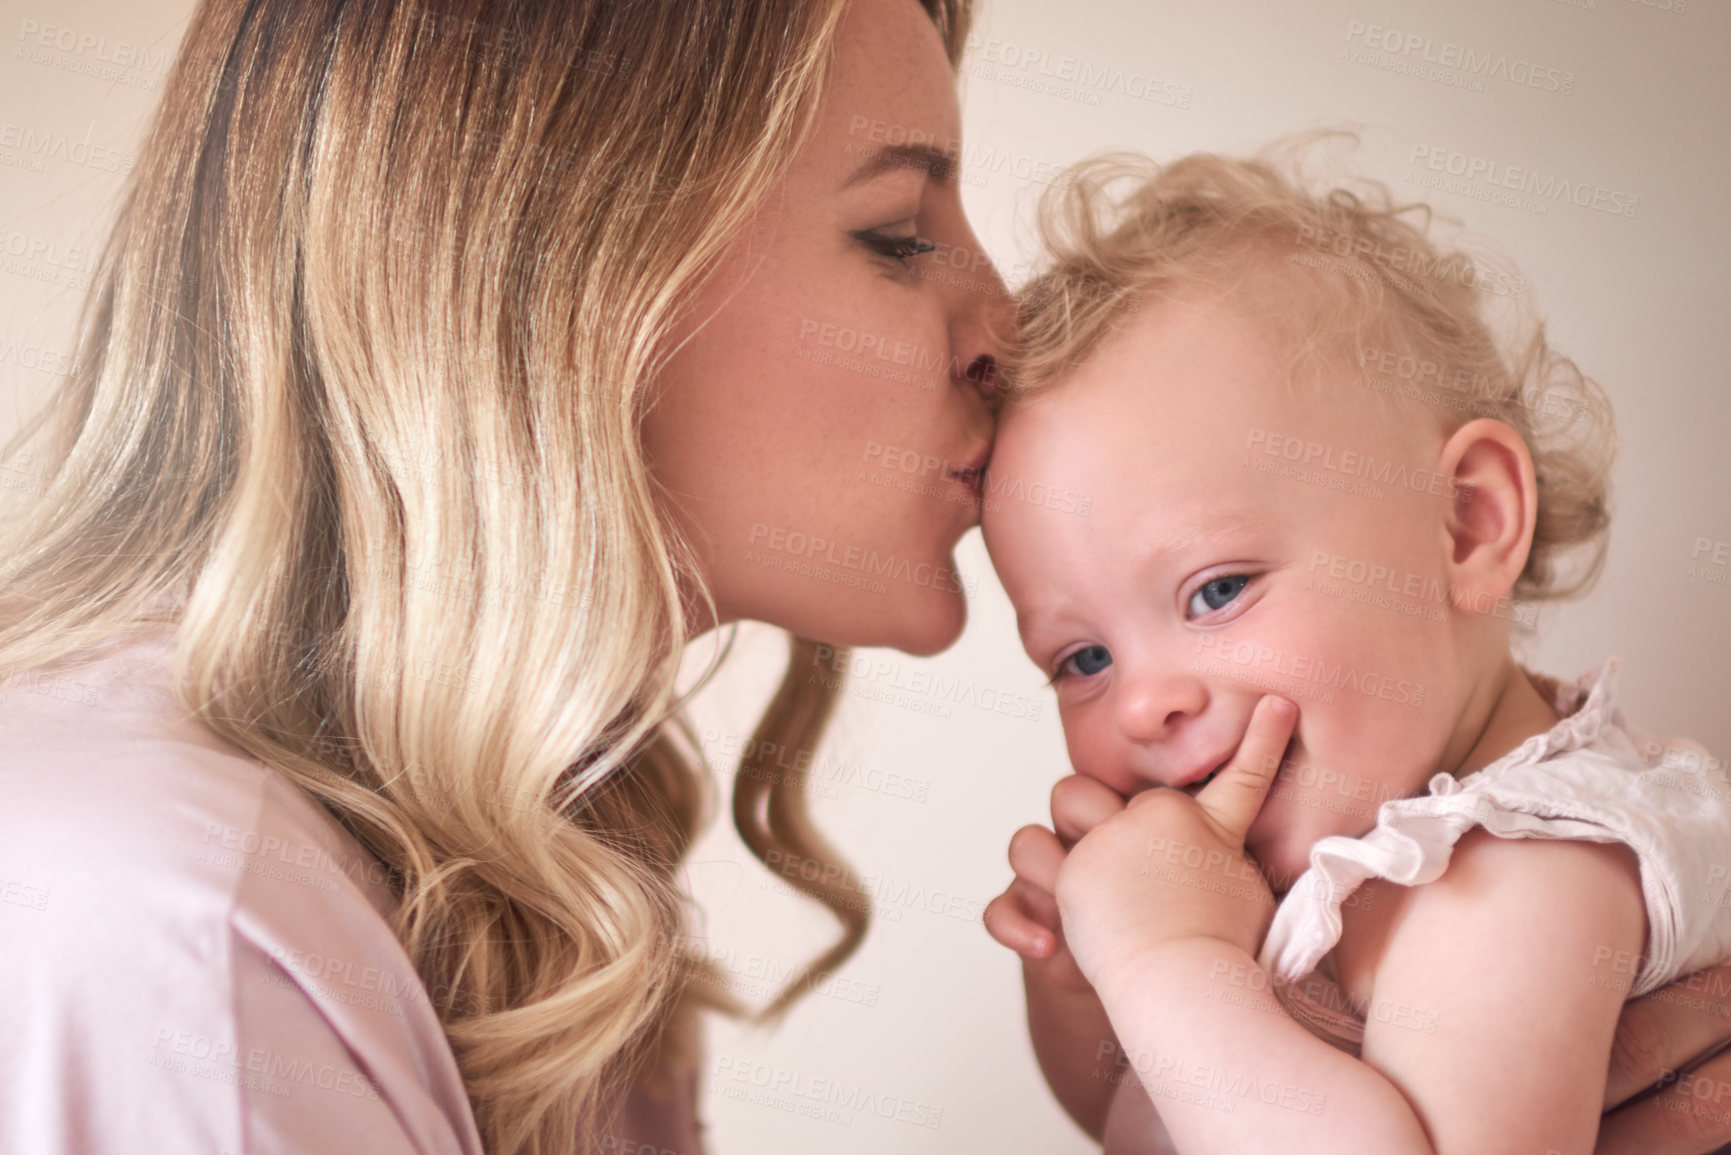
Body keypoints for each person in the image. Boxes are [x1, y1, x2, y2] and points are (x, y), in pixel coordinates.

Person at [0, 0, 1726, 1151]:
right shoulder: (172, 918)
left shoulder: (542, 861)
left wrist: (1172, 979)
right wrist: (1134, 982)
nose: (1000, 326)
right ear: (567, 285)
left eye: (1210, 591)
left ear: (1471, 524)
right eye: (899, 233)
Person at [978, 146, 1731, 1153]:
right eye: (1082, 660)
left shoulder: (1516, 876)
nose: (1139, 705)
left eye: (1216, 590)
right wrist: (1087, 971)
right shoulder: (1339, 845)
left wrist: (1164, 956)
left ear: (1463, 524)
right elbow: (1142, 1123)